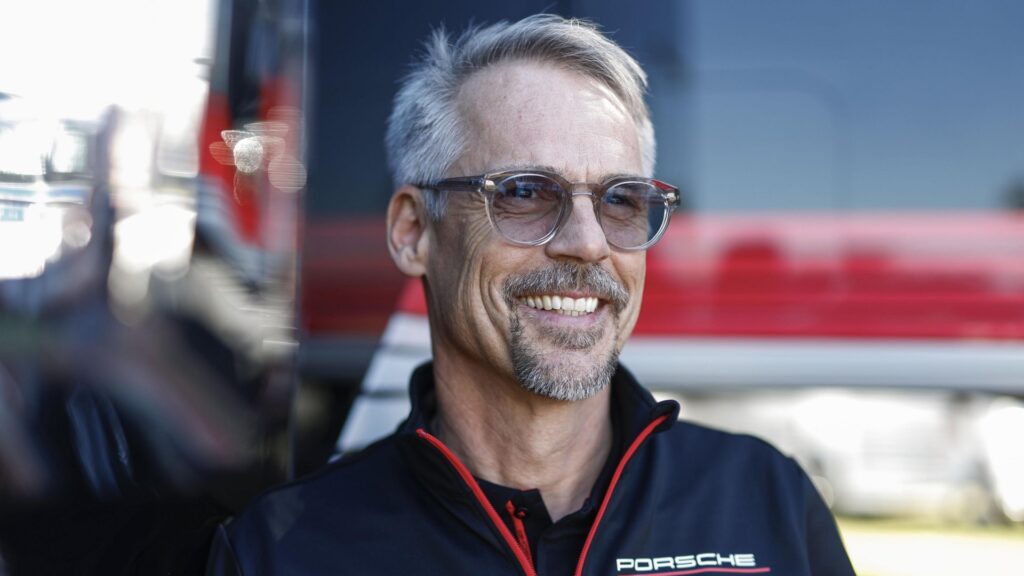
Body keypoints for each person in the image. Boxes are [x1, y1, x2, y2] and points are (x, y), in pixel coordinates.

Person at [206, 14, 855, 576]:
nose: (587, 242)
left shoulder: (768, 501)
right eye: (523, 192)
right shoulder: (284, 550)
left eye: (621, 200)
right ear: (413, 233)